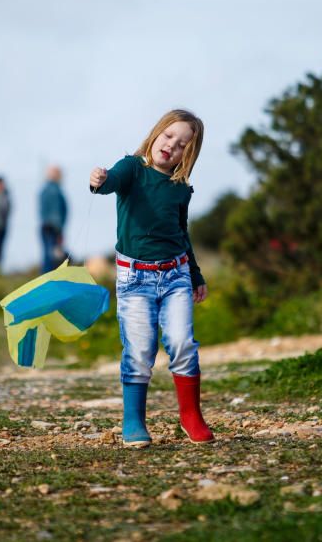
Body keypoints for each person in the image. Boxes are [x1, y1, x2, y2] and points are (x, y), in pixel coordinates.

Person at [89, 109, 212, 448]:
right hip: (134, 280)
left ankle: (191, 416)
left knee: (182, 343)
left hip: (176, 276)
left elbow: (181, 234)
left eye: (182, 145)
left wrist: (196, 273)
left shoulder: (180, 189)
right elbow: (110, 182)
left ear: (188, 154)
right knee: (140, 349)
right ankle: (134, 421)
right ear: (156, 133)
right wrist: (99, 180)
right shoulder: (132, 168)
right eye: (169, 136)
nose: (171, 146)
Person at [39, 165, 68, 273]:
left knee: (48, 255)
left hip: (45, 226)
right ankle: (48, 280)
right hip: (53, 228)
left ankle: (45, 279)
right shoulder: (55, 190)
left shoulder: (44, 190)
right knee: (52, 257)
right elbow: (57, 212)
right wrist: (59, 231)